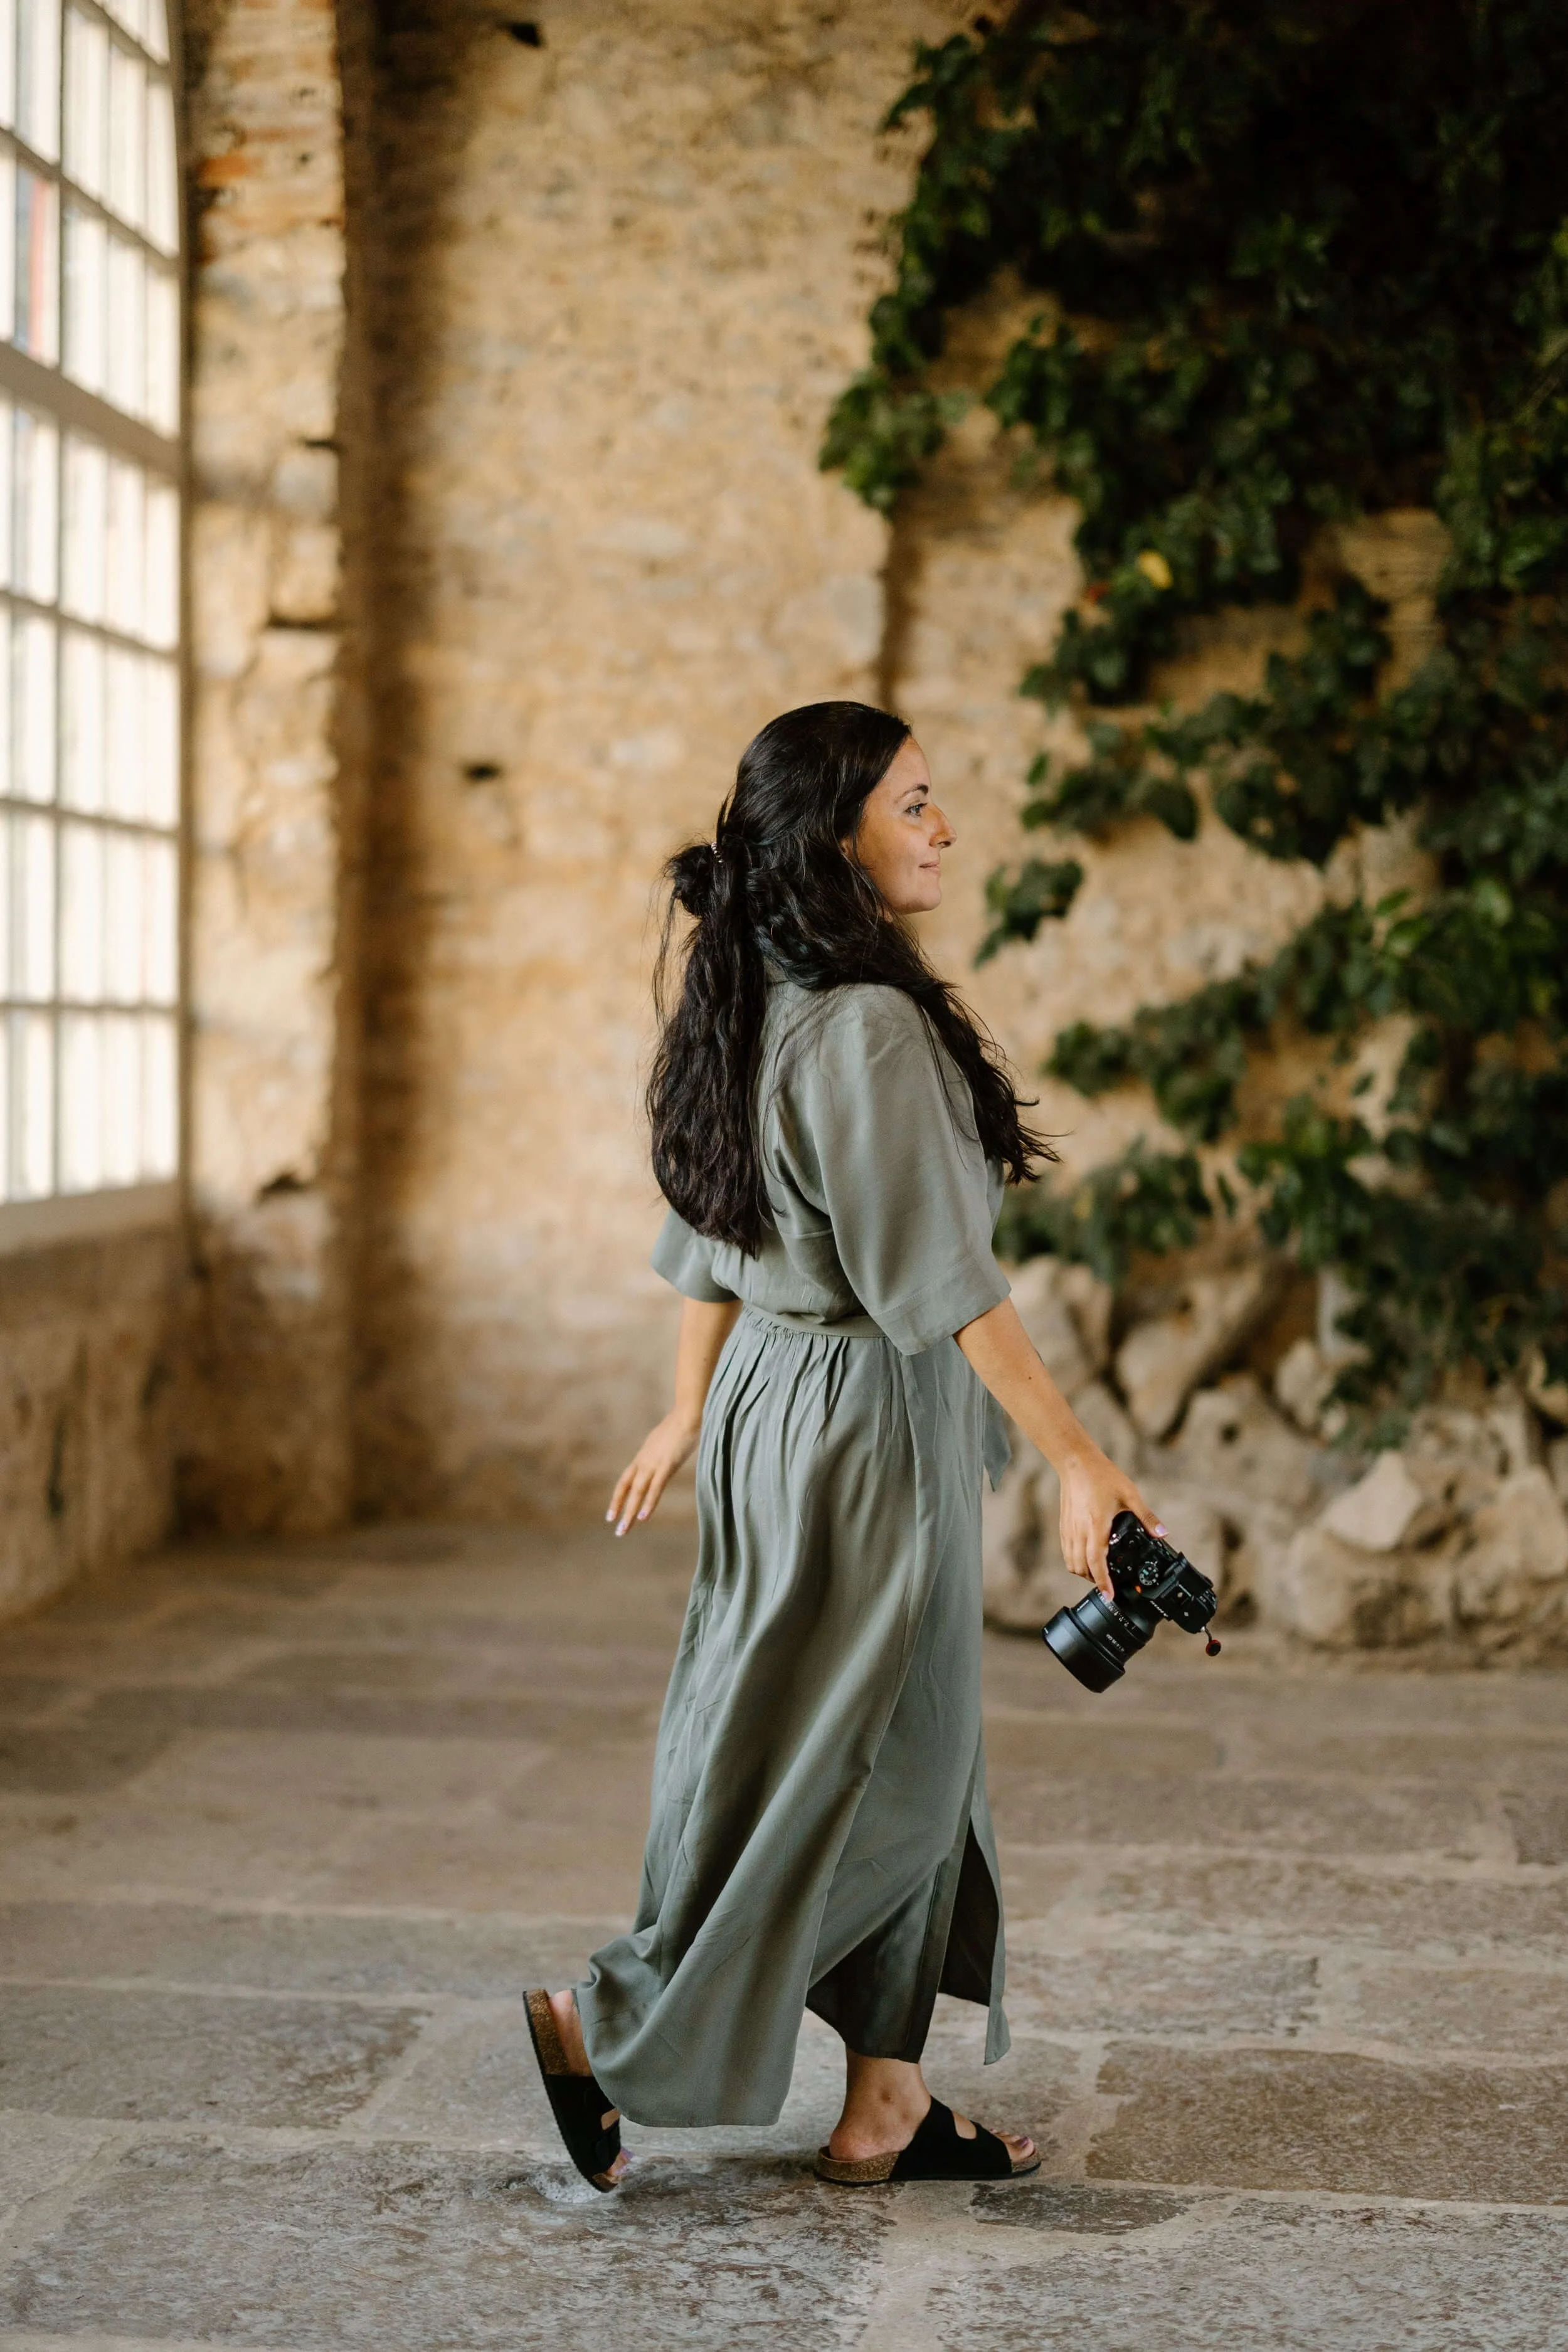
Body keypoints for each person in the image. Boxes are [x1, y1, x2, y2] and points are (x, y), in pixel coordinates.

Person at [526, 701, 1160, 2190]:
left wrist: (692, 1406)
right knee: (881, 1759)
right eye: (917, 804)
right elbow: (940, 1286)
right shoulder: (865, 1024)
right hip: (867, 1420)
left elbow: (708, 1231)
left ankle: (885, 2102)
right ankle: (618, 2034)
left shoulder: (757, 982)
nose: (944, 828)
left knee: (812, 1736)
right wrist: (1078, 1459)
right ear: (835, 838)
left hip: (771, 1412)